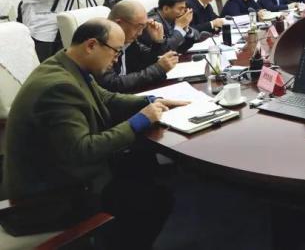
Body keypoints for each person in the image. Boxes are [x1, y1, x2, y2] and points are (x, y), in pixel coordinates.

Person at [2, 18, 187, 249]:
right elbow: (83, 150)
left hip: (63, 176)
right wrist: (138, 122)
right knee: (154, 201)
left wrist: (150, 101)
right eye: (116, 52)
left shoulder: (67, 63)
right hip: (50, 200)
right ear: (91, 45)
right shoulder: (58, 87)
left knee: (142, 170)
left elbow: (106, 98)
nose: (117, 59)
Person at [96, 0, 179, 93]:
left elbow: (146, 62)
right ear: (119, 23)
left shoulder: (129, 41)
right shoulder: (101, 44)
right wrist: (158, 69)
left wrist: (158, 42)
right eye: (138, 27)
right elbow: (113, 84)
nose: (140, 33)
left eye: (143, 28)